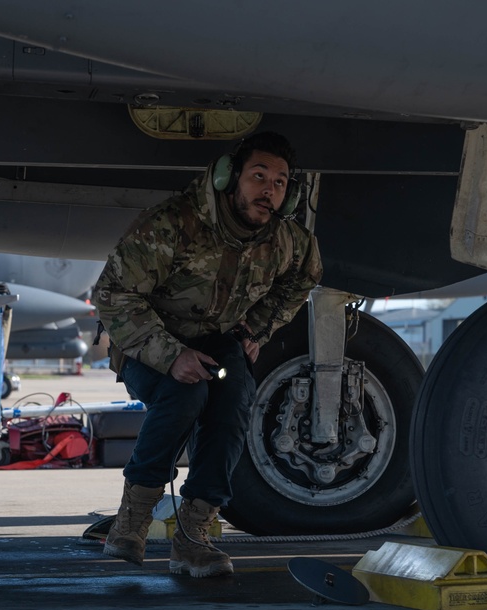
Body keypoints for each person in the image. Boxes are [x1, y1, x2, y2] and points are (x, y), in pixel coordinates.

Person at [93, 131, 323, 577]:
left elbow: (304, 277)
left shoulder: (285, 241)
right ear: (228, 178)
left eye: (279, 182)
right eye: (259, 176)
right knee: (185, 395)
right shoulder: (171, 225)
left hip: (217, 339)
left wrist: (257, 328)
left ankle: (194, 533)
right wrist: (169, 355)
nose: (269, 190)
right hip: (146, 338)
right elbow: (112, 294)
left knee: (234, 399)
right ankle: (132, 522)